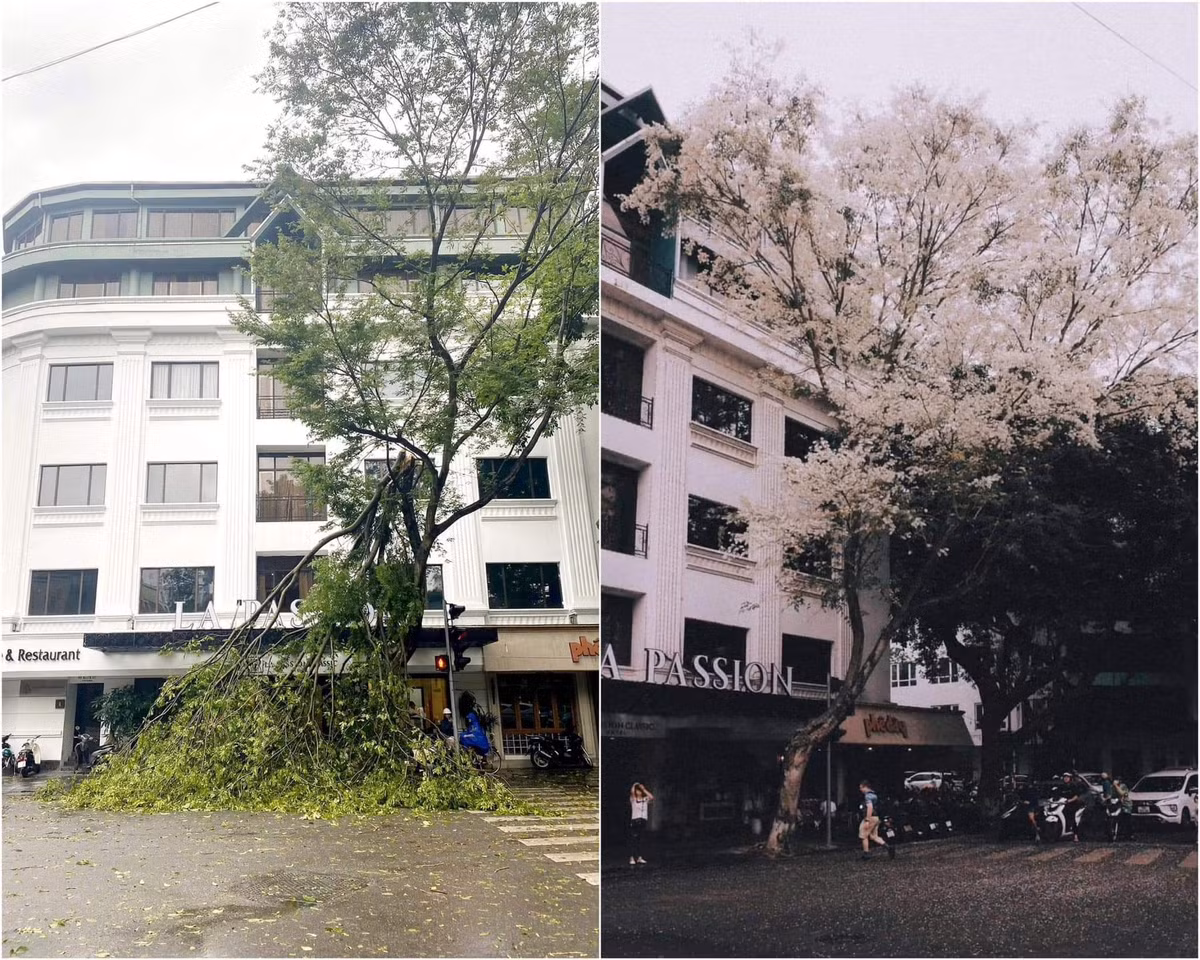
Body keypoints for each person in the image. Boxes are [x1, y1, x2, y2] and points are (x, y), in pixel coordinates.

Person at [858, 779, 894, 860]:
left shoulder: (867, 796)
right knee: (873, 836)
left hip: (870, 817)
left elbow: (869, 807)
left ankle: (866, 854)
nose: (860, 790)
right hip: (877, 817)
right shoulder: (874, 795)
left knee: (863, 835)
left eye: (861, 788)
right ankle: (888, 847)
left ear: (865, 787)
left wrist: (867, 820)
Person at [629, 782, 654, 866]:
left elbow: (651, 797)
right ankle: (632, 857)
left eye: (639, 791)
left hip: (643, 821)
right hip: (635, 821)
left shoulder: (645, 799)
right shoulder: (633, 800)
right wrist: (635, 784)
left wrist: (643, 789)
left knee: (641, 839)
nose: (638, 792)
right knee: (634, 839)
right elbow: (632, 792)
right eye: (637, 791)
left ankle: (639, 857)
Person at [1060, 773, 1087, 841]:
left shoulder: (1073, 786)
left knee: (1073, 818)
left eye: (1067, 777)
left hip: (1073, 804)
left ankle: (1076, 836)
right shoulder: (1062, 786)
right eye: (1064, 777)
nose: (1065, 778)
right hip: (1063, 804)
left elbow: (1076, 796)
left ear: (1070, 778)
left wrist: (1070, 800)